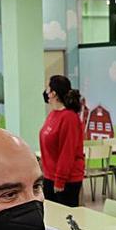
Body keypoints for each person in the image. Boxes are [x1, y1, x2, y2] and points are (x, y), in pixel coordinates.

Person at [39, 75, 85, 207]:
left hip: (66, 181)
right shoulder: (53, 114)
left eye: (48, 88)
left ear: (54, 93)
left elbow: (67, 152)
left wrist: (60, 180)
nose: (46, 92)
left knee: (65, 220)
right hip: (49, 177)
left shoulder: (69, 118)